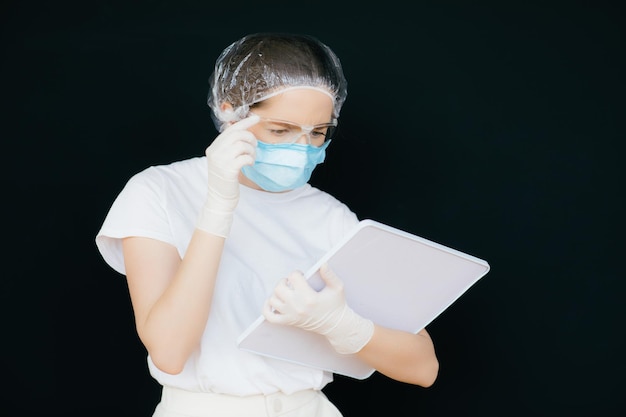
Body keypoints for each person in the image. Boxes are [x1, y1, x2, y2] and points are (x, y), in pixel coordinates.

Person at [95, 32, 439, 417]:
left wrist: (342, 324)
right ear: (230, 114)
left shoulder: (330, 217)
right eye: (280, 130)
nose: (301, 148)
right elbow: (170, 351)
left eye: (318, 133)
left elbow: (423, 368)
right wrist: (219, 205)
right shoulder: (159, 191)